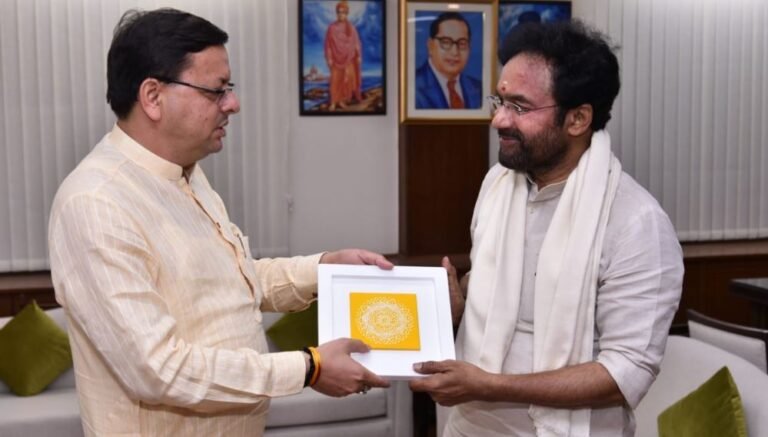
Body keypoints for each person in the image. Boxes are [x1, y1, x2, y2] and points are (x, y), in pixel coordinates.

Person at [48, 8, 391, 436]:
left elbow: (231, 283)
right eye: (217, 90)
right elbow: (159, 370)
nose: (233, 104)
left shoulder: (187, 174)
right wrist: (309, 367)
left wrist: (325, 268)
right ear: (153, 97)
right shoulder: (97, 203)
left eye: (230, 88)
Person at [409, 20, 684, 436]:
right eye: (500, 101)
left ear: (577, 119)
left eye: (519, 107)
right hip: (469, 426)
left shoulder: (636, 224)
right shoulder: (498, 185)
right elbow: (504, 287)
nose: (499, 120)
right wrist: (460, 301)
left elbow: (625, 372)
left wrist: (490, 385)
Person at [415, 11, 482, 110]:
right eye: (446, 42)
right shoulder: (412, 87)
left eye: (462, 43)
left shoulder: (479, 89)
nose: (455, 52)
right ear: (430, 45)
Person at [324, 0, 362, 111]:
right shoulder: (331, 28)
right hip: (336, 59)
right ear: (336, 13)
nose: (341, 15)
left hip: (349, 58)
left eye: (343, 12)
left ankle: (341, 101)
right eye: (339, 12)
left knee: (346, 80)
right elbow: (328, 44)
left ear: (346, 14)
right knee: (335, 80)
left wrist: (358, 55)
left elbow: (356, 43)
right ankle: (333, 102)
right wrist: (329, 58)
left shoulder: (351, 28)